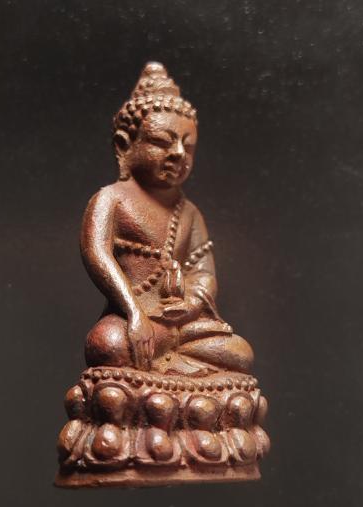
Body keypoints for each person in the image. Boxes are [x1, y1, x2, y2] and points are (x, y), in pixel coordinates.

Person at [81, 62, 253, 376]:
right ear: (124, 145)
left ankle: (171, 365)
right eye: (162, 141)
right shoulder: (111, 199)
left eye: (188, 146)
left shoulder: (190, 212)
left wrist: (191, 305)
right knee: (107, 345)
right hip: (133, 318)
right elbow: (97, 254)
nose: (178, 153)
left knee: (239, 353)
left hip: (182, 325)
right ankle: (171, 369)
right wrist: (134, 311)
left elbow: (203, 270)